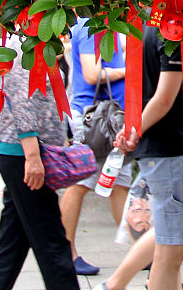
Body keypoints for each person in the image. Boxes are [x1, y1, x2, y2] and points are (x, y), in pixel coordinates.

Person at [113, 24, 183, 290]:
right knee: (170, 250)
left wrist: (133, 128)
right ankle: (117, 283)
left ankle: (116, 283)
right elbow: (163, 98)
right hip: (173, 150)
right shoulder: (170, 29)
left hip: (173, 149)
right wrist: (133, 131)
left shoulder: (146, 22)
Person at [0, 42, 78, 290]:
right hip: (25, 155)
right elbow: (20, 98)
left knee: (12, 244)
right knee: (52, 242)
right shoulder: (21, 44)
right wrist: (33, 157)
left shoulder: (40, 42)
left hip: (28, 153)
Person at [61, 19, 129, 276]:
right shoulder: (92, 26)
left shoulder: (104, 24)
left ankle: (137, 249)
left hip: (106, 118)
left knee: (119, 183)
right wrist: (127, 70)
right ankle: (66, 251)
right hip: (95, 119)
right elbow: (91, 74)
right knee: (80, 183)